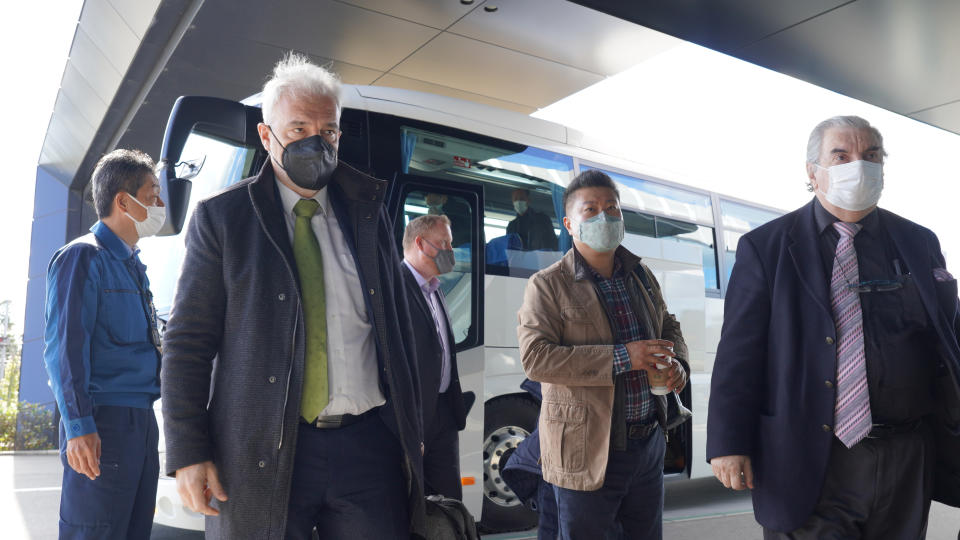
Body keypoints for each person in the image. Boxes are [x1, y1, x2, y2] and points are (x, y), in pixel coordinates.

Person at [160, 53, 423, 539]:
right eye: (298, 127)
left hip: (369, 449)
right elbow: (188, 343)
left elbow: (399, 329)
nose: (314, 141)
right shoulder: (222, 219)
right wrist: (188, 452)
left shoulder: (370, 212)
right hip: (261, 448)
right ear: (267, 136)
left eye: (328, 130)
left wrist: (412, 430)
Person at [707, 115, 960, 538]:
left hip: (906, 453)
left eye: (870, 155)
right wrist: (728, 443)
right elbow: (739, 354)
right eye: (840, 156)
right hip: (809, 453)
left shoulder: (919, 242)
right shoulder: (767, 248)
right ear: (813, 172)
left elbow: (947, 339)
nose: (857, 165)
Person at [517, 169, 688, 539]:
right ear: (569, 223)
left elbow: (668, 326)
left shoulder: (640, 274)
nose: (604, 217)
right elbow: (536, 358)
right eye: (590, 209)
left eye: (612, 208)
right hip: (587, 449)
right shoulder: (547, 284)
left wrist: (678, 365)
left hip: (647, 446)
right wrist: (624, 357)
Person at [43, 149, 166, 539]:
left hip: (142, 423)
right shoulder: (82, 258)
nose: (160, 204)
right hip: (103, 422)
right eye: (152, 194)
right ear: (123, 200)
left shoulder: (134, 265)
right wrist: (79, 427)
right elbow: (63, 350)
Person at [400, 215, 468, 500]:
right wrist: (410, 427)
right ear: (420, 243)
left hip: (443, 414)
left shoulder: (435, 288)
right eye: (444, 243)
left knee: (449, 501)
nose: (450, 250)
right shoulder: (395, 286)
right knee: (408, 502)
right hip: (414, 415)